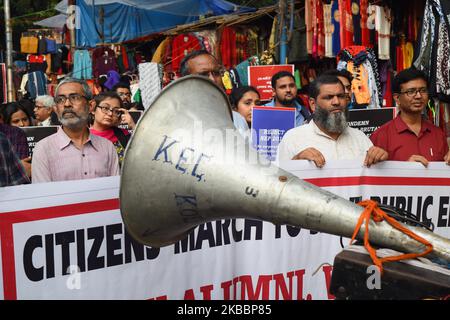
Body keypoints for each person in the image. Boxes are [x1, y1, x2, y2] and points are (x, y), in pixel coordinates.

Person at [277, 75, 388, 167]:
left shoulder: (360, 138)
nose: (336, 102)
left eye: (340, 96)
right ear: (313, 104)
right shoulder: (293, 139)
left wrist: (379, 160)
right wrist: (296, 162)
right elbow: (280, 183)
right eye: (328, 97)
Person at [32, 78, 120, 183]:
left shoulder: (107, 147)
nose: (67, 104)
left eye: (74, 97)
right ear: (55, 108)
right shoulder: (43, 150)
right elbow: (43, 196)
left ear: (90, 106)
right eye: (60, 100)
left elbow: (114, 193)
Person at [370, 68, 450, 166]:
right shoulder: (381, 136)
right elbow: (374, 178)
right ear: (397, 98)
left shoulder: (438, 134)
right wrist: (407, 169)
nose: (418, 96)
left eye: (423, 90)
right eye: (411, 91)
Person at [179, 50, 249, 134]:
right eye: (203, 74)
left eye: (216, 73)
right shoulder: (174, 120)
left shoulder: (237, 120)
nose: (212, 79)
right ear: (186, 81)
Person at [90, 92, 132, 166]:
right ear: (93, 109)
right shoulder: (84, 136)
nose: (110, 114)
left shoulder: (124, 135)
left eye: (116, 111)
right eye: (105, 108)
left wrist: (132, 125)